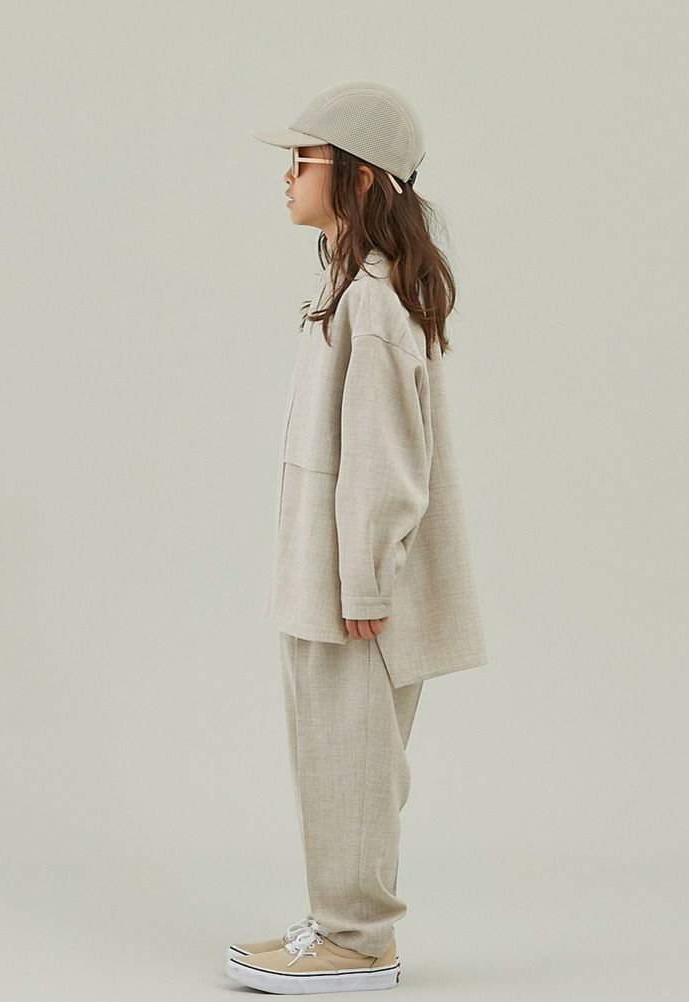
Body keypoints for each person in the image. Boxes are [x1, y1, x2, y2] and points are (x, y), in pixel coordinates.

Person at [226, 79, 488, 995]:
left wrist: (368, 582)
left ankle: (359, 941)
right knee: (332, 752)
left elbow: (385, 455)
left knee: (357, 755)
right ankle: (338, 922)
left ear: (362, 177)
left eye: (305, 160)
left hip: (354, 590)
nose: (288, 176)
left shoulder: (373, 302)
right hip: (325, 576)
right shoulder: (348, 288)